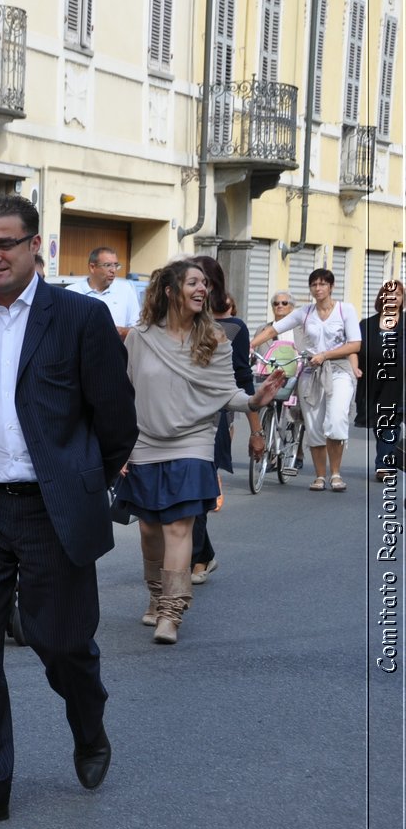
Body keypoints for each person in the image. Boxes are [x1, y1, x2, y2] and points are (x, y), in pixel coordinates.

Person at [0, 193, 137, 829]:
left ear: (36, 247)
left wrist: (77, 481)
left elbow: (116, 421)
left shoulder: (80, 318)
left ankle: (88, 713)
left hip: (53, 511)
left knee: (61, 643)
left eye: (4, 244)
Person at [111, 260, 284, 645]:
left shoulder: (215, 339)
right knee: (150, 529)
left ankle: (171, 611)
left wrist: (257, 398)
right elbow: (124, 395)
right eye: (193, 282)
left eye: (204, 283)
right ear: (170, 290)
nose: (202, 289)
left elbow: (228, 394)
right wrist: (119, 448)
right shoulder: (139, 338)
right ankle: (156, 595)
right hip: (145, 441)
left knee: (177, 525)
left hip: (193, 441)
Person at [250, 269, 362, 492]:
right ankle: (320, 476)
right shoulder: (305, 312)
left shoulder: (345, 310)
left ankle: (336, 474)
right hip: (311, 371)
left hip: (338, 369)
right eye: (314, 285)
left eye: (322, 284)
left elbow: (355, 344)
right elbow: (274, 327)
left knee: (336, 418)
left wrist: (326, 355)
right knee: (313, 424)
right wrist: (251, 345)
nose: (318, 289)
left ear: (331, 286)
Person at [187, 255, 259, 586]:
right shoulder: (178, 321)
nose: (196, 288)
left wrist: (256, 432)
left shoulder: (233, 327)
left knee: (196, 491)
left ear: (212, 285)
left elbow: (243, 380)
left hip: (213, 419)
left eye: (201, 281)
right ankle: (202, 554)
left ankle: (196, 560)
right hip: (173, 417)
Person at [356, 280, 404, 483]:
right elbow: (355, 349)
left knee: (391, 423)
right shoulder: (366, 325)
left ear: (402, 299)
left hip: (402, 383)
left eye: (398, 294)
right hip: (375, 383)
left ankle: (386, 463)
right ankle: (386, 461)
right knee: (382, 424)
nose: (393, 298)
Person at [67, 246, 141, 338]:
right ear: (92, 267)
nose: (113, 270)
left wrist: (120, 332)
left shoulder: (126, 290)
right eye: (108, 265)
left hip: (115, 350)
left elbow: (138, 328)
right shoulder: (72, 292)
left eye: (116, 265)